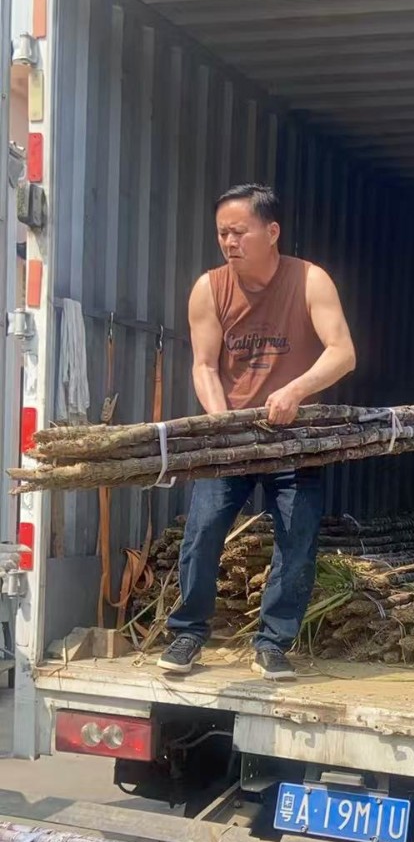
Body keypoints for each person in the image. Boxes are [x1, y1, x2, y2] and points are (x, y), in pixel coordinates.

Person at [159, 183, 356, 681]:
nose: (229, 242)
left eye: (239, 232)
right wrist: (221, 422)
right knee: (203, 532)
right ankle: (188, 633)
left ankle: (272, 644)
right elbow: (204, 365)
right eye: (222, 233)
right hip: (233, 437)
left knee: (296, 541)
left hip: (295, 438)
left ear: (272, 231)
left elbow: (342, 353)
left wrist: (295, 390)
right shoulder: (209, 289)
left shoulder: (310, 280)